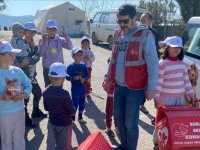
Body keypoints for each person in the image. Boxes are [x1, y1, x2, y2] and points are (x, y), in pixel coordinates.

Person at [103, 4, 159, 150]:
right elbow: (113, 58)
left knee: (130, 123)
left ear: (134, 18)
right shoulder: (118, 34)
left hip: (135, 88)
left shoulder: (146, 35)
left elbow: (153, 63)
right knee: (119, 120)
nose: (122, 25)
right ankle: (124, 145)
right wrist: (108, 77)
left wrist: (152, 87)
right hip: (119, 86)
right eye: (119, 21)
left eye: (125, 21)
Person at [153, 36, 195, 150]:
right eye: (173, 47)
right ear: (167, 48)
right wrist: (156, 98)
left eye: (179, 47)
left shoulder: (182, 64)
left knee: (177, 122)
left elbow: (186, 82)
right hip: (166, 99)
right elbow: (158, 83)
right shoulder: (162, 64)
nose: (177, 49)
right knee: (162, 121)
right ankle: (157, 142)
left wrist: (191, 94)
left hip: (180, 99)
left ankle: (174, 141)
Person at [0, 41, 32, 150]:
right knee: (6, 140)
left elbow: (28, 84)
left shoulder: (17, 70)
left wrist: (23, 94)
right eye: (10, 54)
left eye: (14, 54)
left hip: (19, 110)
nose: (14, 56)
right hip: (4, 114)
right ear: (1, 57)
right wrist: (2, 97)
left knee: (19, 139)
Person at [43, 62, 75, 150]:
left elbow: (46, 108)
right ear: (63, 78)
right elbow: (71, 111)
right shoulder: (65, 94)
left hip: (52, 121)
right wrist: (73, 112)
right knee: (64, 145)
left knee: (51, 142)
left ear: (49, 77)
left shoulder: (45, 91)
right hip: (65, 123)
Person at [24, 22, 47, 127]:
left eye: (33, 32)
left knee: (38, 93)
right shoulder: (21, 43)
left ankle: (35, 111)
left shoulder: (32, 43)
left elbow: (36, 56)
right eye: (30, 32)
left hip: (32, 75)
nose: (32, 34)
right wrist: (35, 55)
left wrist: (35, 55)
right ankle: (25, 118)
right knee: (25, 97)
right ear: (25, 32)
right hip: (24, 76)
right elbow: (31, 59)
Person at [39, 20, 73, 87]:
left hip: (59, 68)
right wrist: (44, 41)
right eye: (49, 29)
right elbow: (40, 54)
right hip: (47, 68)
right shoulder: (42, 40)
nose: (52, 31)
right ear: (46, 29)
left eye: (54, 29)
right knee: (48, 87)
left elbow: (70, 47)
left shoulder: (60, 40)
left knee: (59, 87)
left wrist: (65, 34)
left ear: (56, 30)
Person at [140, 12, 159, 114]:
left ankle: (142, 103)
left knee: (148, 84)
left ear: (150, 21)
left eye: (144, 20)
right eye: (141, 19)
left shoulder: (154, 33)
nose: (142, 22)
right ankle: (140, 104)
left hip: (149, 63)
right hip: (139, 64)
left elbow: (155, 48)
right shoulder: (136, 31)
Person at [66, 47, 89, 124]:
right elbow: (67, 77)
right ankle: (72, 119)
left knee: (82, 102)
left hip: (83, 87)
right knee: (75, 103)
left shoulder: (83, 66)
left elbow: (87, 75)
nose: (79, 56)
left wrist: (84, 79)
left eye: (81, 55)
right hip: (75, 88)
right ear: (73, 56)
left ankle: (80, 117)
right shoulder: (70, 66)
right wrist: (73, 78)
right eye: (77, 55)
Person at [102, 57, 117, 137]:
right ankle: (108, 128)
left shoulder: (121, 73)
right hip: (111, 96)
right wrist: (109, 86)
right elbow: (104, 85)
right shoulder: (108, 75)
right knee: (109, 113)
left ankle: (117, 127)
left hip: (119, 97)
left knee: (118, 113)